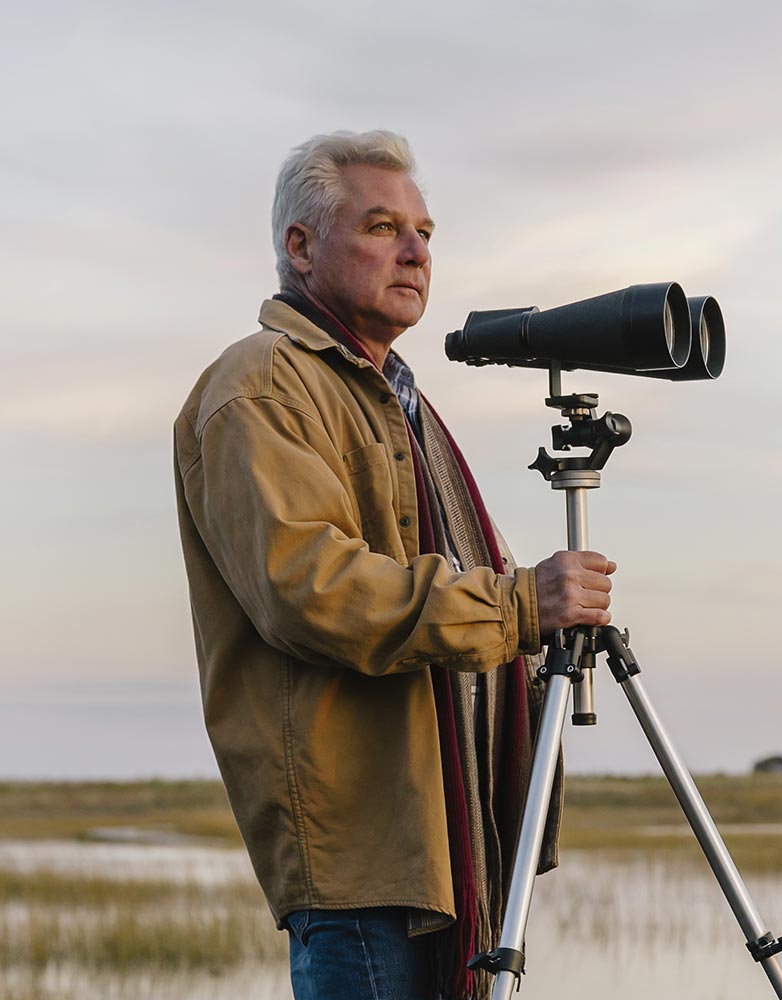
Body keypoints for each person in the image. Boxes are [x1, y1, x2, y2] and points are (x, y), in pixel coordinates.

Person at [173, 130, 616, 1000]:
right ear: (300, 247)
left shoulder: (392, 397)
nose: (415, 251)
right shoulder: (261, 385)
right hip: (364, 858)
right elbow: (309, 589)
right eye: (382, 226)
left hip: (447, 849)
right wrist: (520, 607)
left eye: (424, 231)